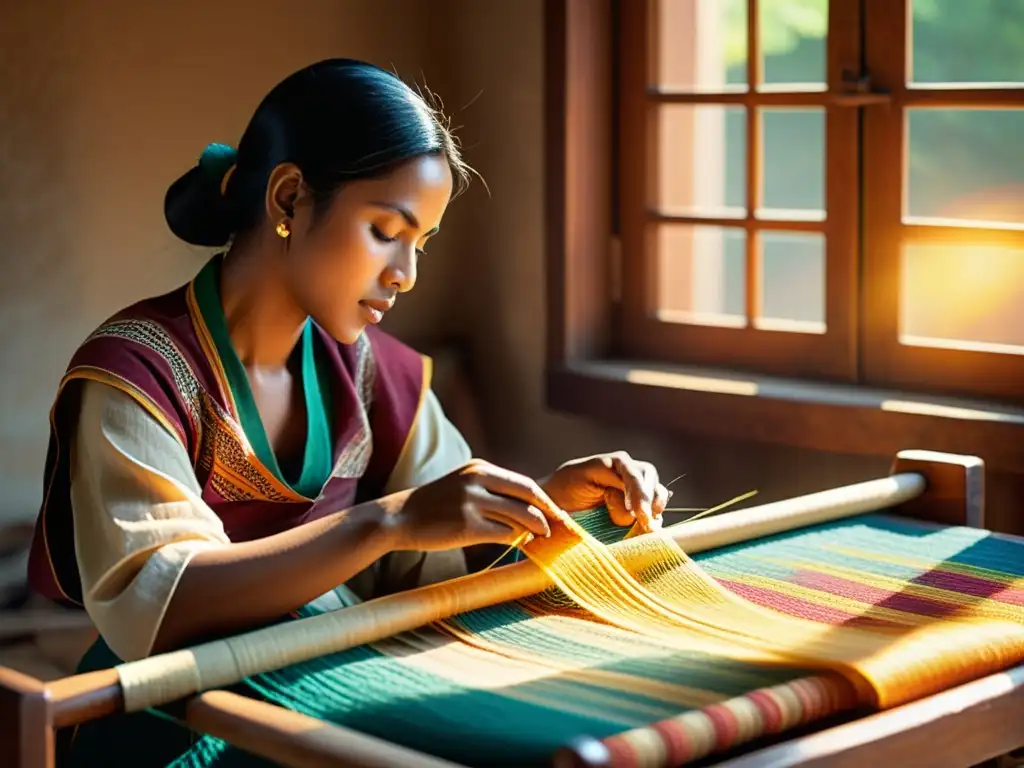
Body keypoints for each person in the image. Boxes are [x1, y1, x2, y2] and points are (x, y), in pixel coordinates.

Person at [26, 58, 668, 763]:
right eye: (385, 230)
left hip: (326, 699)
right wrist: (386, 523)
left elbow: (445, 554)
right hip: (173, 728)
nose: (406, 272)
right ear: (291, 198)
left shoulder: (376, 374)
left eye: (420, 243)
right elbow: (159, 603)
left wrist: (550, 506)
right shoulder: (134, 373)